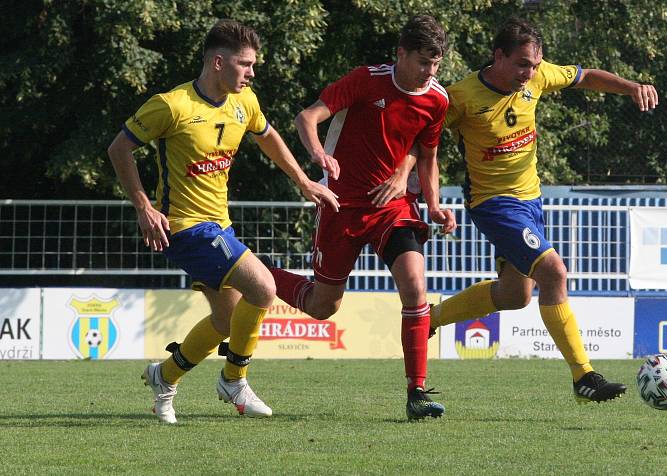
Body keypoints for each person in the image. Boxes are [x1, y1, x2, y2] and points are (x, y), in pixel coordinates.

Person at [107, 19, 339, 424]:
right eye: (245, 64)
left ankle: (164, 376)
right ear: (218, 62)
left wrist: (303, 181)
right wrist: (144, 206)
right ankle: (234, 378)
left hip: (220, 226)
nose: (252, 73)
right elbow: (118, 148)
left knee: (226, 319)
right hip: (185, 227)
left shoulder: (243, 102)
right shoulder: (172, 104)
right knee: (264, 287)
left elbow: (266, 135)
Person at [428, 16, 658, 403]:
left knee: (515, 295)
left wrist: (631, 87)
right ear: (497, 56)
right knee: (554, 272)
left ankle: (426, 321)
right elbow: (424, 144)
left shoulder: (538, 76)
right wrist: (418, 189)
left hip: (531, 201)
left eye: (534, 65)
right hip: (493, 204)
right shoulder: (462, 96)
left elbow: (585, 76)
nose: (529, 73)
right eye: (521, 64)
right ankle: (584, 377)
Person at [261, 15, 456, 420]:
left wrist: (433, 203)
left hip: (392, 208)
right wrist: (319, 155)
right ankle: (259, 272)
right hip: (340, 204)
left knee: (415, 286)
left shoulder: (436, 99)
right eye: (423, 62)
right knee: (322, 305)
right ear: (400, 53)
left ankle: (416, 392)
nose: (430, 72)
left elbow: (428, 152)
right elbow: (307, 118)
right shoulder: (366, 80)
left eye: (436, 64)